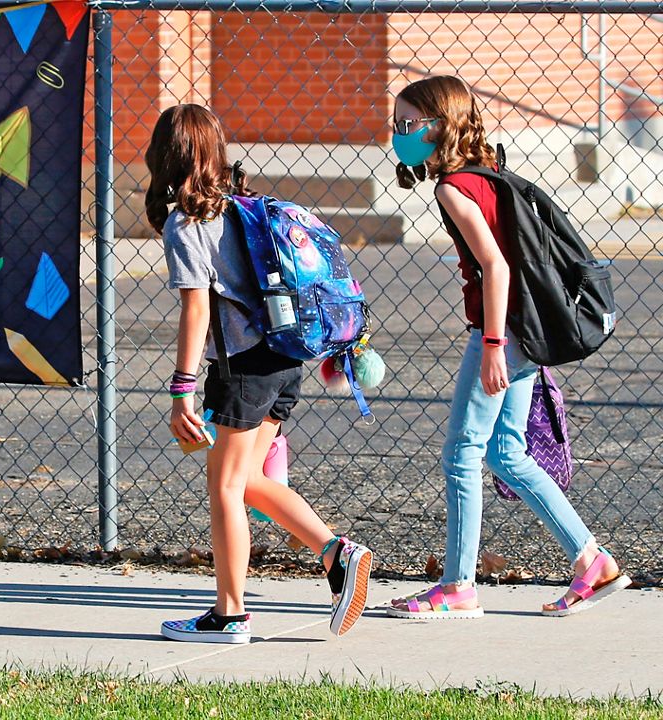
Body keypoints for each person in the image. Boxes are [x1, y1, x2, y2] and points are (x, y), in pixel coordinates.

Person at [386, 76, 631, 619]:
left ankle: (457, 588)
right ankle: (592, 560)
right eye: (395, 124)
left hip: (503, 333)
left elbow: (496, 267)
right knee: (506, 452)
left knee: (461, 455)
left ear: (438, 128)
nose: (398, 134)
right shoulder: (488, 171)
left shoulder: (453, 187)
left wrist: (494, 344)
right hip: (525, 328)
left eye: (407, 125)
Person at [147, 104, 373, 644]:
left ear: (164, 156)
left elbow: (196, 310)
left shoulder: (186, 221)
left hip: (244, 368)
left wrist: (181, 388)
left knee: (224, 486)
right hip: (284, 359)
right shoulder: (238, 206)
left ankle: (229, 615)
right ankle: (337, 553)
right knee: (247, 481)